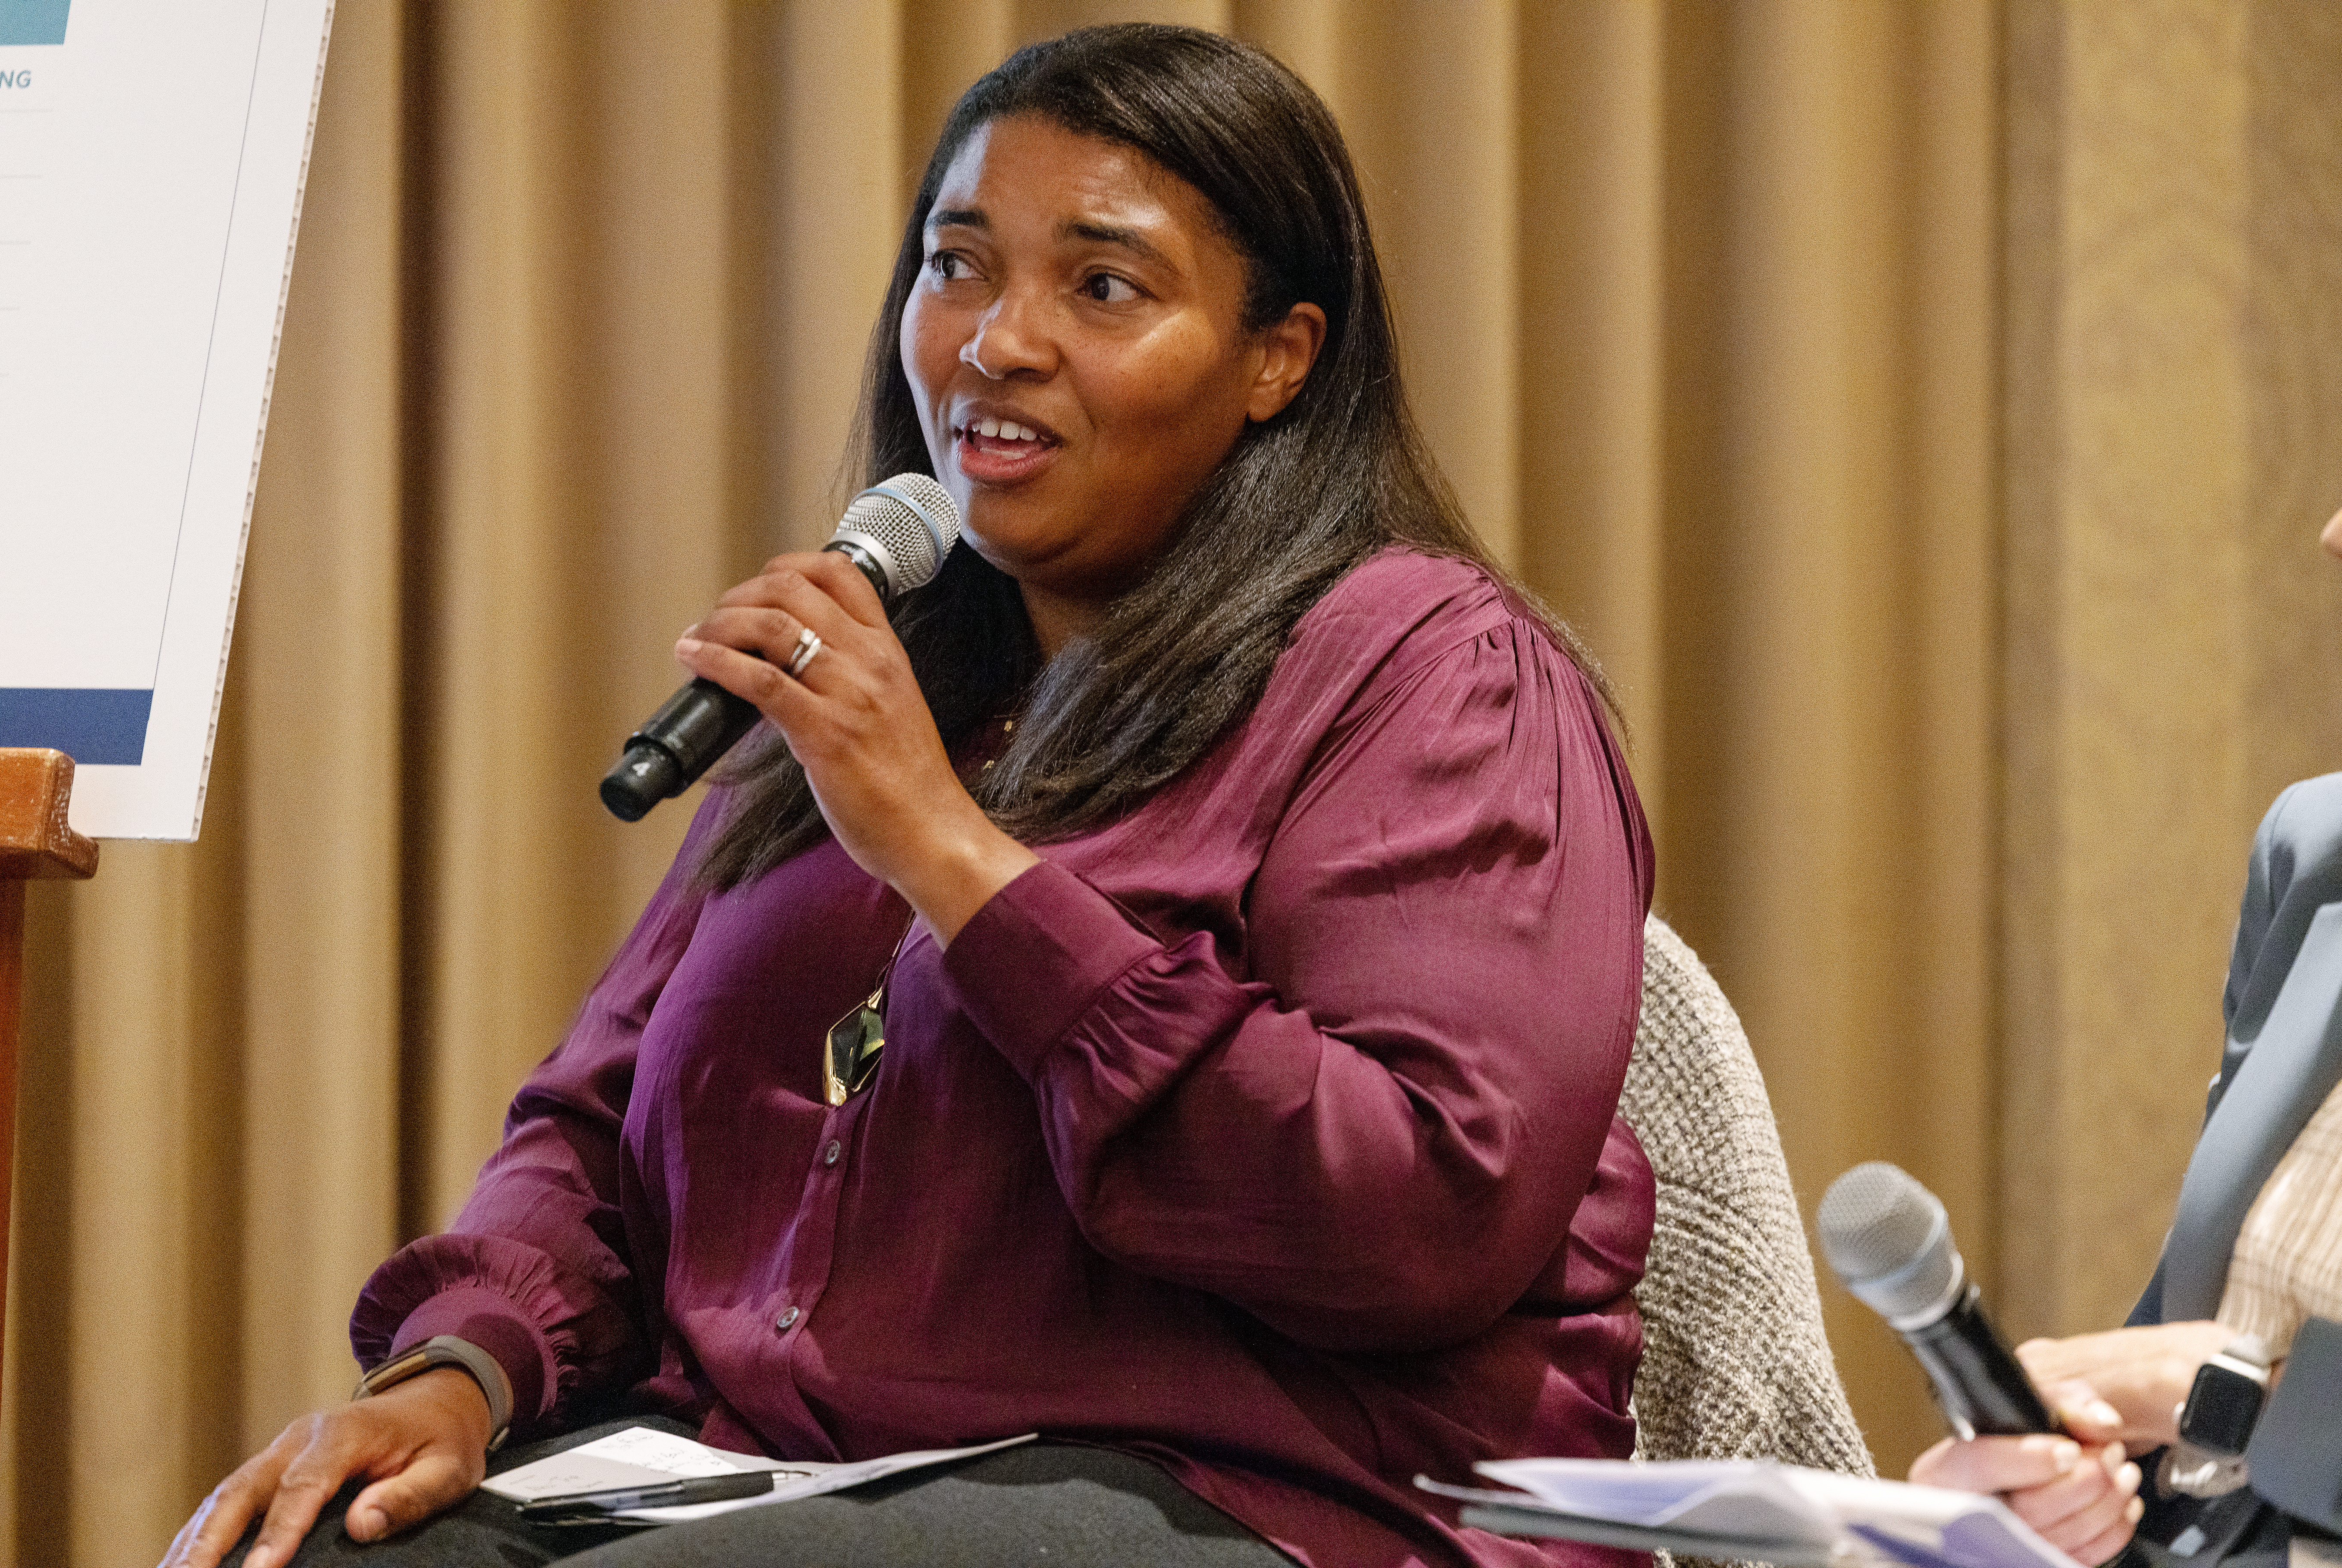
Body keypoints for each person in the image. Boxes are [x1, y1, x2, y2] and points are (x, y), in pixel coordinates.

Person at [163, 25, 1656, 1568]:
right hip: (773, 1475)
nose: (996, 343)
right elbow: (593, 1128)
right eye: (958, 267)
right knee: (314, 1549)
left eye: (1104, 287)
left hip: (1276, 1500)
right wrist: (464, 1368)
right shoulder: (878, 681)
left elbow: (1416, 1217)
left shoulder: (1425, 670)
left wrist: (951, 853)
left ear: (1279, 356)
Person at [1911, 509, 2342, 1566]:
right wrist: (2061, 1476)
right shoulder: (2317, 855)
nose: (2332, 533)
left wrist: (2220, 1393)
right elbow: (2179, 1425)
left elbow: (2194, 1380)